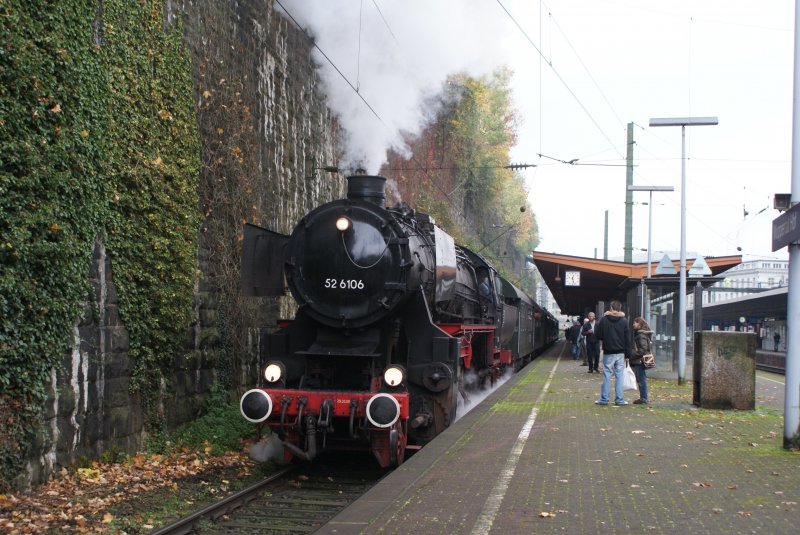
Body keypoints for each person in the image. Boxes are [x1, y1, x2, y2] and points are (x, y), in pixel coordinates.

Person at [594, 300, 631, 406]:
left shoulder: (604, 320)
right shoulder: (624, 321)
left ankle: (604, 399)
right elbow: (627, 339)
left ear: (611, 308)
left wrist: (606, 338)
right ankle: (619, 400)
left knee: (607, 375)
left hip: (608, 352)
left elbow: (597, 335)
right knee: (619, 376)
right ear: (620, 308)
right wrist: (628, 355)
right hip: (620, 353)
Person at [630, 316, 653, 405]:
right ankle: (643, 398)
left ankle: (643, 398)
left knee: (641, 379)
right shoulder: (644, 334)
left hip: (640, 360)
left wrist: (632, 354)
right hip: (642, 360)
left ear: (639, 324)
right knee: (641, 378)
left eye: (634, 323)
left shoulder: (640, 335)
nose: (633, 325)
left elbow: (643, 350)